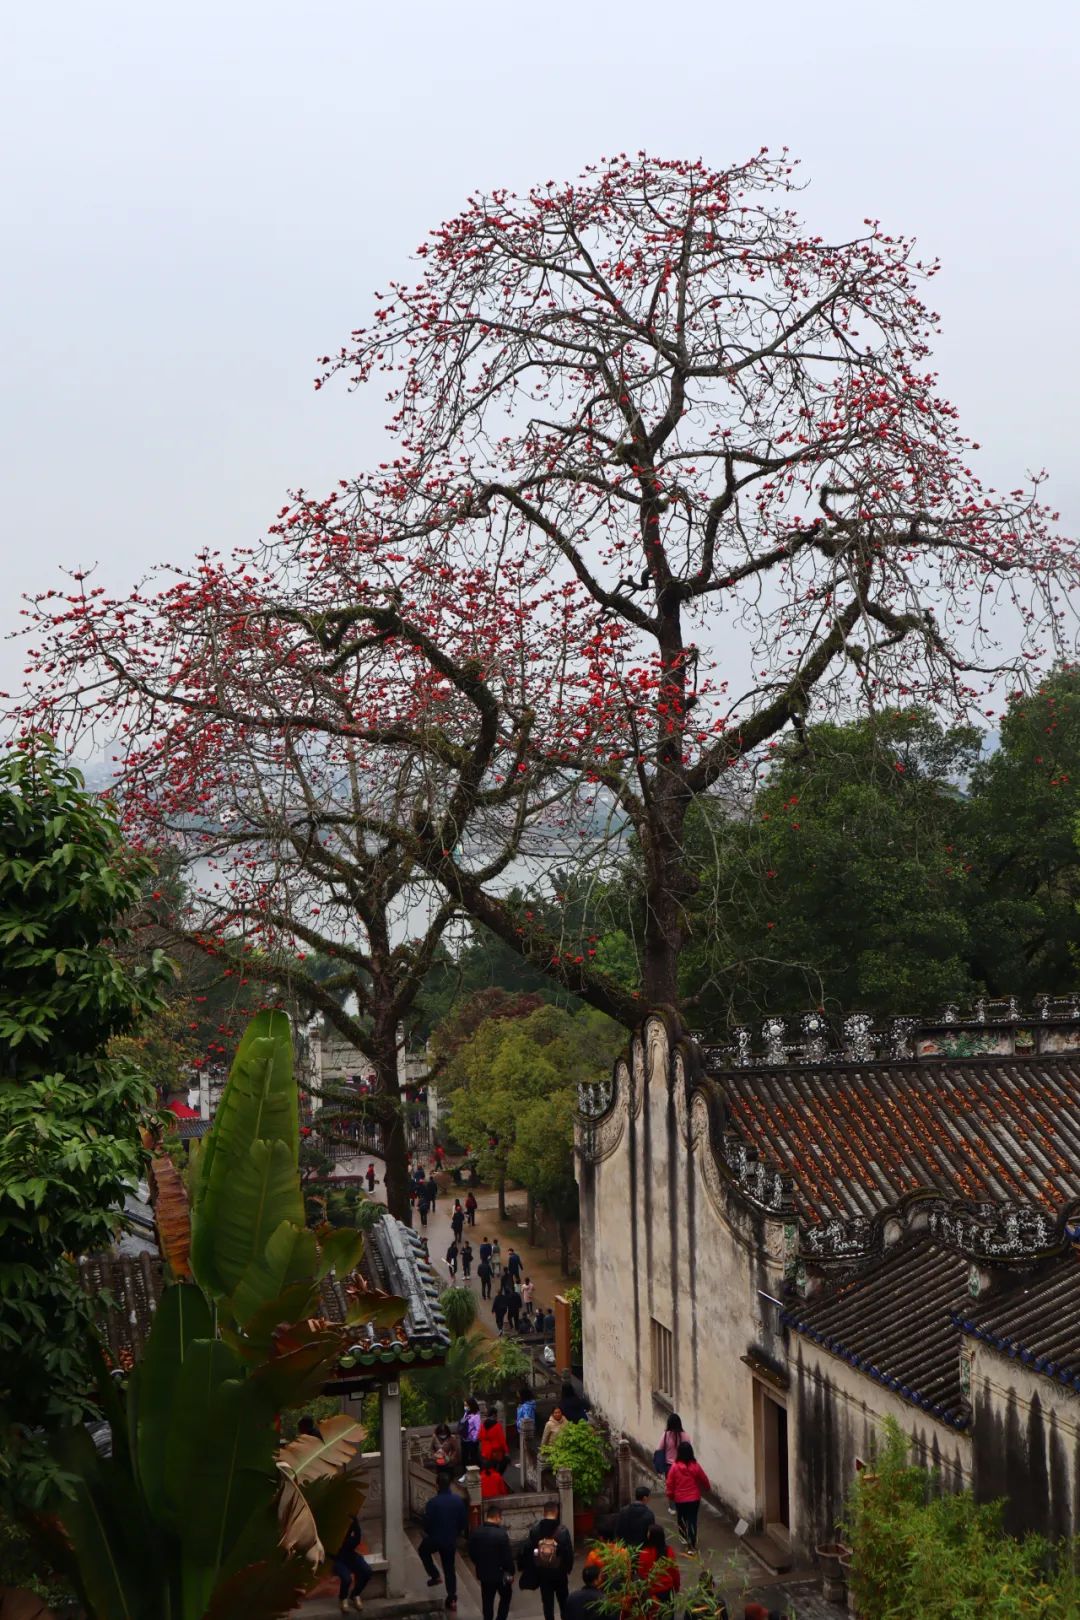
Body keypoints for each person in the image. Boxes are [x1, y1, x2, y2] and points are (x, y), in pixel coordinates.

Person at [419, 1472, 469, 1610]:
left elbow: (426, 1523)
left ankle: (435, 1575)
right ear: (450, 1485)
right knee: (449, 1569)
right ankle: (452, 1599)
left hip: (435, 1538)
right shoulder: (458, 1501)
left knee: (423, 1550)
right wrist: (455, 1533)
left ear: (437, 1486)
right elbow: (463, 1522)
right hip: (450, 1540)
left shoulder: (432, 1503)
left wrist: (430, 1533)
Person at [525, 1500, 575, 1620]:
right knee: (563, 1601)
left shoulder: (535, 1530)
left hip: (543, 1573)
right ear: (556, 1512)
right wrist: (567, 1569)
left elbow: (530, 1551)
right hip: (560, 1573)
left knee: (547, 1604)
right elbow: (568, 1553)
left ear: (544, 1512)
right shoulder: (562, 1531)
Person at [469, 1503, 515, 1620]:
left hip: (484, 1574)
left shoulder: (476, 1532)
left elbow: (472, 1553)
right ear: (497, 1517)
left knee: (487, 1600)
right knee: (506, 1597)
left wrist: (479, 1564)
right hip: (500, 1574)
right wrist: (511, 1571)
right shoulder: (501, 1534)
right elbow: (507, 1557)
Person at [665, 1441, 710, 1549]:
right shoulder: (695, 1466)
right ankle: (692, 1545)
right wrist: (707, 1488)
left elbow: (670, 1483)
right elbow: (704, 1478)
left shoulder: (674, 1467)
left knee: (681, 1519)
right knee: (692, 1520)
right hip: (694, 1499)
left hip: (680, 1499)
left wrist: (670, 1496)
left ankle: (683, 1538)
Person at [333, 1512, 372, 1614]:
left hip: (350, 1554)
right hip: (336, 1557)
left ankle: (355, 1594)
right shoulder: (332, 1521)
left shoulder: (349, 1519)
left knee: (367, 1571)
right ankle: (343, 1598)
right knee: (347, 1578)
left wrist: (355, 1523)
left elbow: (356, 1540)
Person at [637, 1523, 680, 1612]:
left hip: (652, 1593)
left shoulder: (644, 1553)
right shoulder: (669, 1551)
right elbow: (674, 1572)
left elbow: (641, 1574)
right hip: (667, 1590)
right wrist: (676, 1587)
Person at [657, 1413, 690, 1481]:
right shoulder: (686, 1436)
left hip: (669, 1467)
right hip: (682, 1467)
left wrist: (659, 1469)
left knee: (670, 1486)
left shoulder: (665, 1435)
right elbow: (689, 1451)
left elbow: (659, 1450)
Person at [460, 1397, 482, 1466]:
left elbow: (478, 1429)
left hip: (472, 1441)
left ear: (471, 1405)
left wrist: (474, 1439)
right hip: (464, 1439)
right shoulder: (466, 1414)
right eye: (464, 1405)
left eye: (466, 1405)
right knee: (464, 1458)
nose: (465, 1407)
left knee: (473, 1458)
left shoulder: (476, 1416)